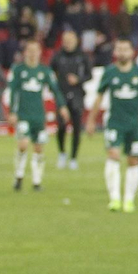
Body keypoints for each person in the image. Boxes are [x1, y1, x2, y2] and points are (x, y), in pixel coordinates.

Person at [97, 37, 138, 212]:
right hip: (115, 123)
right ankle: (114, 198)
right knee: (113, 155)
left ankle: (129, 200)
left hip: (134, 124)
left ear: (132, 52)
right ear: (115, 52)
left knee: (134, 160)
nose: (122, 52)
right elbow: (98, 97)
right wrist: (92, 120)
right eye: (119, 49)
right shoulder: (110, 73)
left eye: (125, 49)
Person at [5, 39, 68, 192]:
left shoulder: (44, 71)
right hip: (23, 114)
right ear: (25, 52)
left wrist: (62, 106)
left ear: (40, 53)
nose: (33, 54)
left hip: (39, 116)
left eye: (36, 50)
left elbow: (55, 90)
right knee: (23, 144)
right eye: (30, 50)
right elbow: (13, 92)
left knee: (39, 148)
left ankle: (37, 181)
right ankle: (19, 176)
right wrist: (12, 112)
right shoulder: (18, 70)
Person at [52, 29, 91, 170]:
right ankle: (62, 153)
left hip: (77, 96)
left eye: (70, 41)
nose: (67, 44)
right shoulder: (57, 56)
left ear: (76, 41)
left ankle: (73, 157)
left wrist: (78, 80)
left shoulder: (82, 56)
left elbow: (89, 75)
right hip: (62, 96)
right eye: (65, 41)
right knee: (61, 126)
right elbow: (51, 72)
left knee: (76, 128)